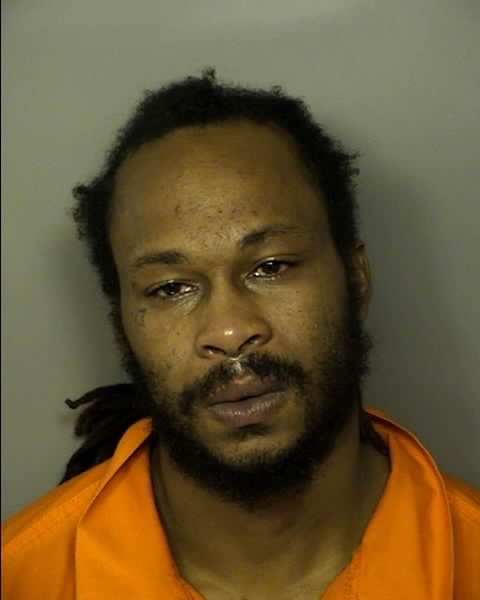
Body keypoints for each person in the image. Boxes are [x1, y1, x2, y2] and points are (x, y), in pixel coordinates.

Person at [2, 68, 479, 600]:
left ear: (355, 278)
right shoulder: (20, 578)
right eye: (170, 288)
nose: (230, 332)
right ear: (120, 325)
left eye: (271, 267)